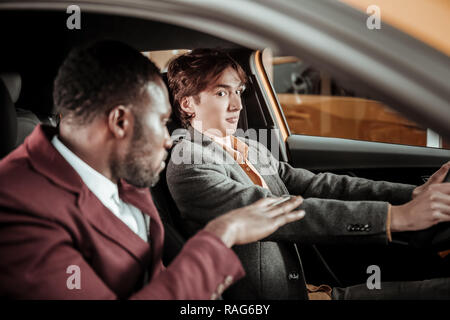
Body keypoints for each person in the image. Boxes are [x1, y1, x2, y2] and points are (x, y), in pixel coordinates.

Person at [0, 41, 307, 299]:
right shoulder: (19, 212)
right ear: (120, 122)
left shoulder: (122, 177)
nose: (167, 139)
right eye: (161, 123)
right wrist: (222, 234)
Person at [165, 48, 450, 299]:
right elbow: (274, 213)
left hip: (309, 288)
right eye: (221, 92)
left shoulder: (249, 146)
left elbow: (317, 185)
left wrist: (410, 194)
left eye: (238, 91)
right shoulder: (189, 164)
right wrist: (396, 217)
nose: (237, 105)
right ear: (188, 103)